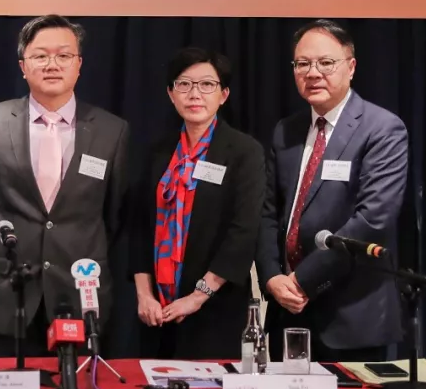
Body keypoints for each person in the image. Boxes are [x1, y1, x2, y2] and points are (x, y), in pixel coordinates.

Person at [0, 14, 130, 357]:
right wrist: (7, 248)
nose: (52, 64)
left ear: (79, 64)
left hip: (80, 293)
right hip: (9, 294)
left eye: (64, 55)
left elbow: (115, 215)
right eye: (40, 56)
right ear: (23, 66)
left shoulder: (112, 131)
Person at [256, 19, 407, 363]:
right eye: (302, 64)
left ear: (350, 67)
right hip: (286, 312)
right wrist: (272, 278)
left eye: (326, 62)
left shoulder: (382, 129)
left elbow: (372, 220)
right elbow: (267, 214)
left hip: (350, 318)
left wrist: (302, 280)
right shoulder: (287, 130)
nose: (313, 73)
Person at [131, 48, 265, 360]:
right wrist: (145, 296)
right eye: (184, 84)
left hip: (215, 310)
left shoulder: (244, 151)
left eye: (207, 84)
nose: (195, 94)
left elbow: (243, 233)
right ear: (171, 94)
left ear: (223, 94)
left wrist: (197, 297)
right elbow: (137, 228)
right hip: (157, 311)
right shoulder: (156, 152)